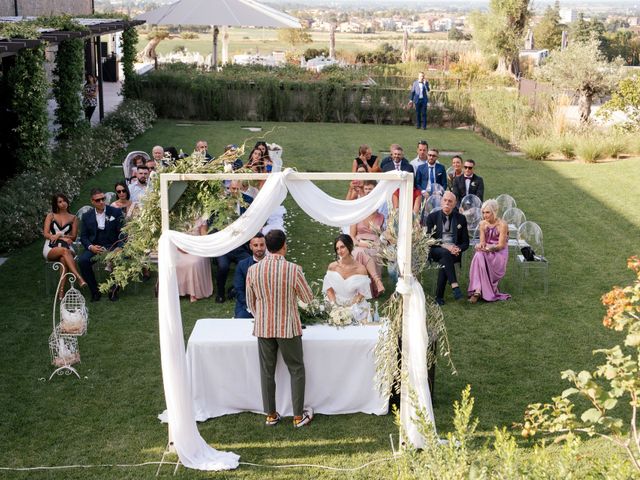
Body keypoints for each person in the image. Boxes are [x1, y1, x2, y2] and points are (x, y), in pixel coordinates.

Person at [246, 229, 314, 428]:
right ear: (284, 245)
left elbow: (251, 302)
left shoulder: (253, 270)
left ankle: (271, 415)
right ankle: (297, 417)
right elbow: (308, 298)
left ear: (266, 246)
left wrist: (263, 314)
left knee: (267, 372)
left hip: (264, 326)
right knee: (296, 369)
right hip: (288, 327)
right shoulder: (293, 269)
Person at [79, 188, 124, 302]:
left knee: (119, 258)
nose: (101, 202)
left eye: (103, 199)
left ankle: (113, 290)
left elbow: (123, 233)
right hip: (95, 247)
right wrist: (91, 247)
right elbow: (83, 236)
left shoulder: (115, 212)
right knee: (83, 261)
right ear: (92, 201)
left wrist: (120, 247)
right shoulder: (86, 216)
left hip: (112, 245)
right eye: (98, 200)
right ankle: (95, 292)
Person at [425, 191, 469, 305]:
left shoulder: (461, 219)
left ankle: (439, 297)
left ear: (455, 204)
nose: (447, 203)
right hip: (435, 250)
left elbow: (465, 242)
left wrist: (457, 248)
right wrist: (446, 246)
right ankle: (454, 284)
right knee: (445, 254)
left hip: (453, 253)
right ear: (441, 201)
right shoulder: (432, 217)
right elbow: (428, 240)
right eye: (445, 200)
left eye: (450, 201)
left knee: (445, 258)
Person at [213, 180, 252, 303]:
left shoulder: (249, 201)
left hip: (241, 245)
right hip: (224, 245)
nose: (235, 191)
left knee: (249, 265)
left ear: (242, 189)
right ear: (229, 188)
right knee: (223, 266)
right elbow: (213, 223)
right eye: (233, 188)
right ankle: (220, 292)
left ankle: (236, 288)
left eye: (237, 189)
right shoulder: (222, 202)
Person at [43, 193, 86, 298]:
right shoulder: (51, 216)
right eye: (59, 202)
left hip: (67, 247)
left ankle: (61, 292)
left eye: (64, 201)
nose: (63, 204)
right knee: (64, 252)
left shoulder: (73, 218)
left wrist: (60, 236)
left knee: (63, 257)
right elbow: (46, 234)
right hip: (50, 247)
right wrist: (62, 237)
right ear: (56, 204)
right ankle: (78, 277)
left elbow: (74, 237)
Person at [467, 199, 511, 303]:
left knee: (479, 255)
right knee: (479, 254)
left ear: (494, 212)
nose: (485, 215)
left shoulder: (502, 225)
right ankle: (478, 290)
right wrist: (480, 246)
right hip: (486, 251)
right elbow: (483, 242)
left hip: (499, 254)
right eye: (483, 212)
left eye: (487, 212)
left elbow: (501, 245)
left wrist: (490, 248)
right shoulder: (482, 224)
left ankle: (477, 290)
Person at [323, 235, 372, 323]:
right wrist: (335, 307)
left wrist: (348, 309)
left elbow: (362, 293)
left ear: (350, 246)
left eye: (342, 247)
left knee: (356, 316)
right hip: (334, 302)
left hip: (354, 304)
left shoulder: (360, 269)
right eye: (337, 248)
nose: (339, 251)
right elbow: (329, 289)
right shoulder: (332, 267)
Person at [351, 181, 385, 298]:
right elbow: (351, 235)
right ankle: (377, 282)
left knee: (371, 253)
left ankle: (372, 288)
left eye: (371, 189)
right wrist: (359, 243)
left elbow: (382, 235)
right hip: (359, 244)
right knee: (359, 252)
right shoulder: (357, 214)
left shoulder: (381, 217)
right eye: (367, 189)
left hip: (374, 245)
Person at [176, 219, 213, 303]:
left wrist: (197, 246)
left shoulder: (201, 218)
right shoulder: (179, 215)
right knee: (173, 262)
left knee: (193, 263)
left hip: (196, 247)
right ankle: (176, 291)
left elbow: (204, 234)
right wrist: (180, 246)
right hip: (179, 246)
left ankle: (193, 292)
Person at [233, 233, 267, 318]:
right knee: (241, 319)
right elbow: (239, 290)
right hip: (247, 304)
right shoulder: (242, 265)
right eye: (256, 245)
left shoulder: (273, 264)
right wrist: (253, 305)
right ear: (251, 247)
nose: (259, 248)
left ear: (266, 246)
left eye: (262, 245)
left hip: (268, 304)